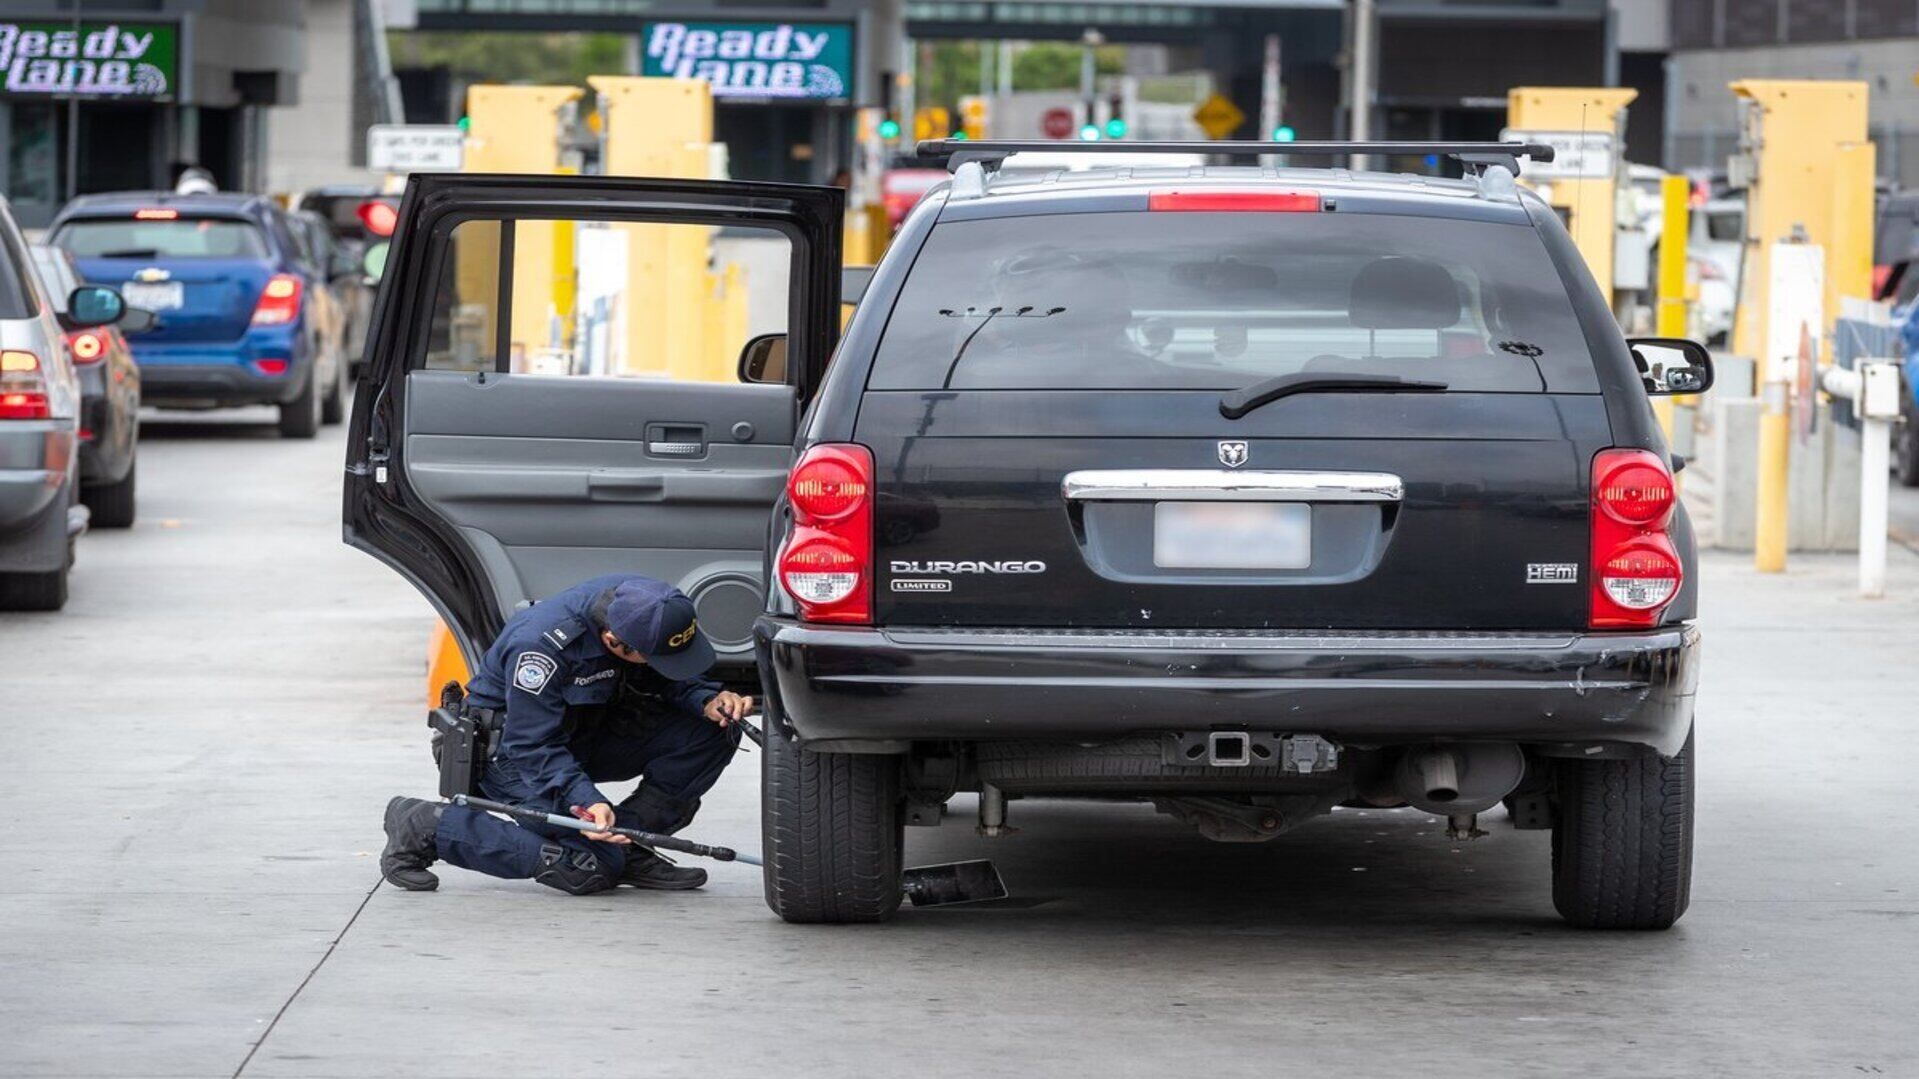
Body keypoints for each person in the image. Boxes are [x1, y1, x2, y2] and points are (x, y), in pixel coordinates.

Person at [379, 574, 753, 895]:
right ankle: (427, 825)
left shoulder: (646, 605)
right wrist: (586, 800)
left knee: (713, 729)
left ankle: (630, 843)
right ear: (613, 641)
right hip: (513, 757)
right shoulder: (539, 649)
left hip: (582, 732)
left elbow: (663, 673)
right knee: (588, 866)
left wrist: (706, 698)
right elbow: (531, 746)